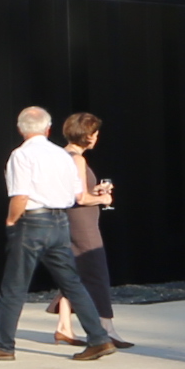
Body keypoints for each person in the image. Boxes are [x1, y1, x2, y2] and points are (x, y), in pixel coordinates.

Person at [0, 106, 117, 363]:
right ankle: (98, 338)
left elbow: (20, 194)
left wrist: (11, 220)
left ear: (20, 129)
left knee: (14, 286)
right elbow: (76, 194)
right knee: (72, 283)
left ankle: (3, 344)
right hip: (60, 222)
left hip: (32, 222)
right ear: (48, 129)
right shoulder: (62, 156)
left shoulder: (21, 155)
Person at [51, 111, 132, 349]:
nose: (96, 137)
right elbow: (80, 198)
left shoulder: (60, 156)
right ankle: (106, 327)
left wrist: (94, 192)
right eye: (94, 133)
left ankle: (64, 327)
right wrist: (102, 199)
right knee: (95, 269)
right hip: (81, 221)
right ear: (88, 135)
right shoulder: (76, 159)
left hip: (69, 218)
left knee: (73, 271)